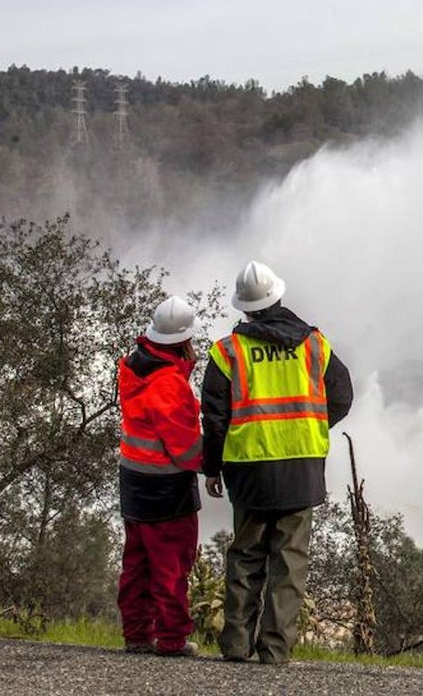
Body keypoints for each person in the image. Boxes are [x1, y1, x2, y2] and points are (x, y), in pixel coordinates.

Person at [201, 260, 353, 665]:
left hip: (248, 468)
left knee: (246, 555)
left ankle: (235, 645)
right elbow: (341, 397)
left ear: (245, 308)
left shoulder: (227, 352)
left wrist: (211, 468)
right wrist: (308, 427)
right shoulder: (315, 345)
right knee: (289, 562)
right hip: (301, 470)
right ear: (279, 297)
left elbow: (214, 420)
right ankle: (275, 651)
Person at [117, 295, 203, 658]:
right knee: (171, 565)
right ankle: (171, 639)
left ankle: (137, 634)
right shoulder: (168, 382)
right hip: (165, 489)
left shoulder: (135, 367)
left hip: (134, 481)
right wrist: (214, 460)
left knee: (136, 563)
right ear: (183, 340)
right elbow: (185, 450)